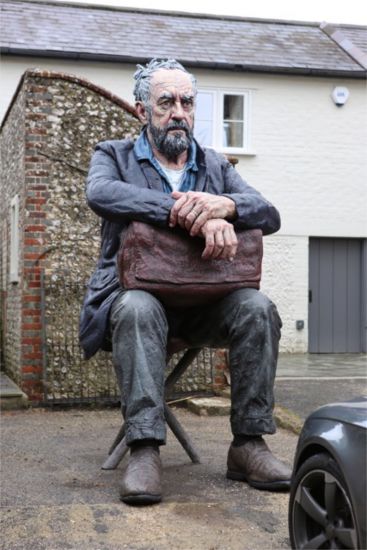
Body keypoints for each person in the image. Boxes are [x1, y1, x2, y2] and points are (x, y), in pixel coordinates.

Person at [80, 58, 291, 505]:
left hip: (205, 303)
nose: (179, 111)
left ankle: (248, 445)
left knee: (257, 307)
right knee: (137, 307)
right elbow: (101, 194)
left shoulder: (215, 165)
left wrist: (225, 207)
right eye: (166, 102)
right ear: (142, 111)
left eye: (187, 102)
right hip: (136, 301)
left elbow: (268, 212)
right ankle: (144, 448)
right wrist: (187, 214)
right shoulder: (112, 156)